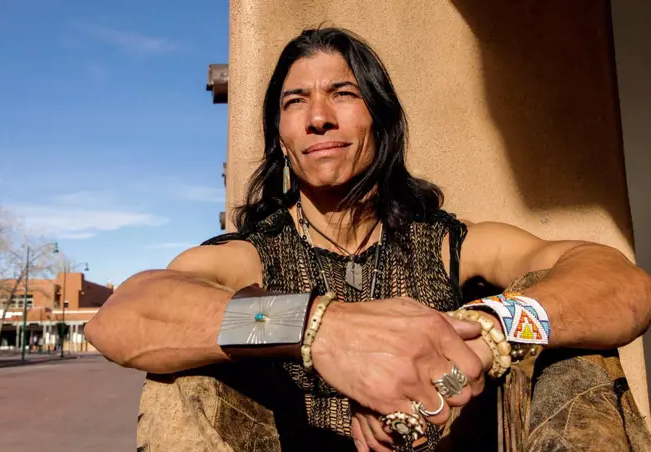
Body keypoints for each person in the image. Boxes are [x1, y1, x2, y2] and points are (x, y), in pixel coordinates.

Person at [84, 27, 651, 451]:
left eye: (343, 94)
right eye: (295, 101)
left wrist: (485, 337)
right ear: (281, 138)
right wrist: (317, 327)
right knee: (183, 372)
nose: (318, 118)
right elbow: (123, 317)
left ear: (380, 121)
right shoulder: (252, 255)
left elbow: (619, 284)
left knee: (570, 337)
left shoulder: (452, 244)